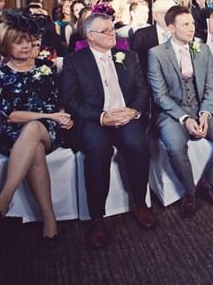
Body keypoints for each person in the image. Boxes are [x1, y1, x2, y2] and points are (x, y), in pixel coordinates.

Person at [60, 13, 154, 250]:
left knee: (137, 144)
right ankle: (97, 217)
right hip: (94, 119)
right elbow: (70, 101)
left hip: (125, 116)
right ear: (91, 36)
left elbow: (143, 91)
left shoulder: (128, 57)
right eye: (106, 31)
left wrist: (133, 111)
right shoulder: (74, 61)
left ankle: (140, 203)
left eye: (112, 29)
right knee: (97, 148)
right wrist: (101, 116)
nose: (113, 34)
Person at [0, 14, 73, 245]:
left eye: (28, 40)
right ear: (5, 45)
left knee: (34, 129)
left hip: (49, 129)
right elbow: (11, 115)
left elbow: (60, 100)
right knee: (32, 140)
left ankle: (2, 202)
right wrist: (49, 115)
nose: (25, 46)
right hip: (15, 130)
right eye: (18, 41)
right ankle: (49, 218)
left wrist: (63, 116)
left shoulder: (47, 67)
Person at [147, 6, 213, 218]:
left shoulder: (203, 49)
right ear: (171, 28)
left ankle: (208, 184)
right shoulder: (156, 54)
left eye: (192, 23)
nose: (192, 28)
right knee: (174, 146)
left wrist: (206, 114)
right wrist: (184, 118)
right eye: (185, 24)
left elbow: (210, 88)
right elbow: (160, 96)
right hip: (171, 113)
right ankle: (189, 192)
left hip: (200, 109)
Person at [131, 0, 175, 78]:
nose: (169, 16)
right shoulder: (142, 35)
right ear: (155, 16)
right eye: (164, 13)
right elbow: (137, 65)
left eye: (172, 13)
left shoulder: (180, 32)